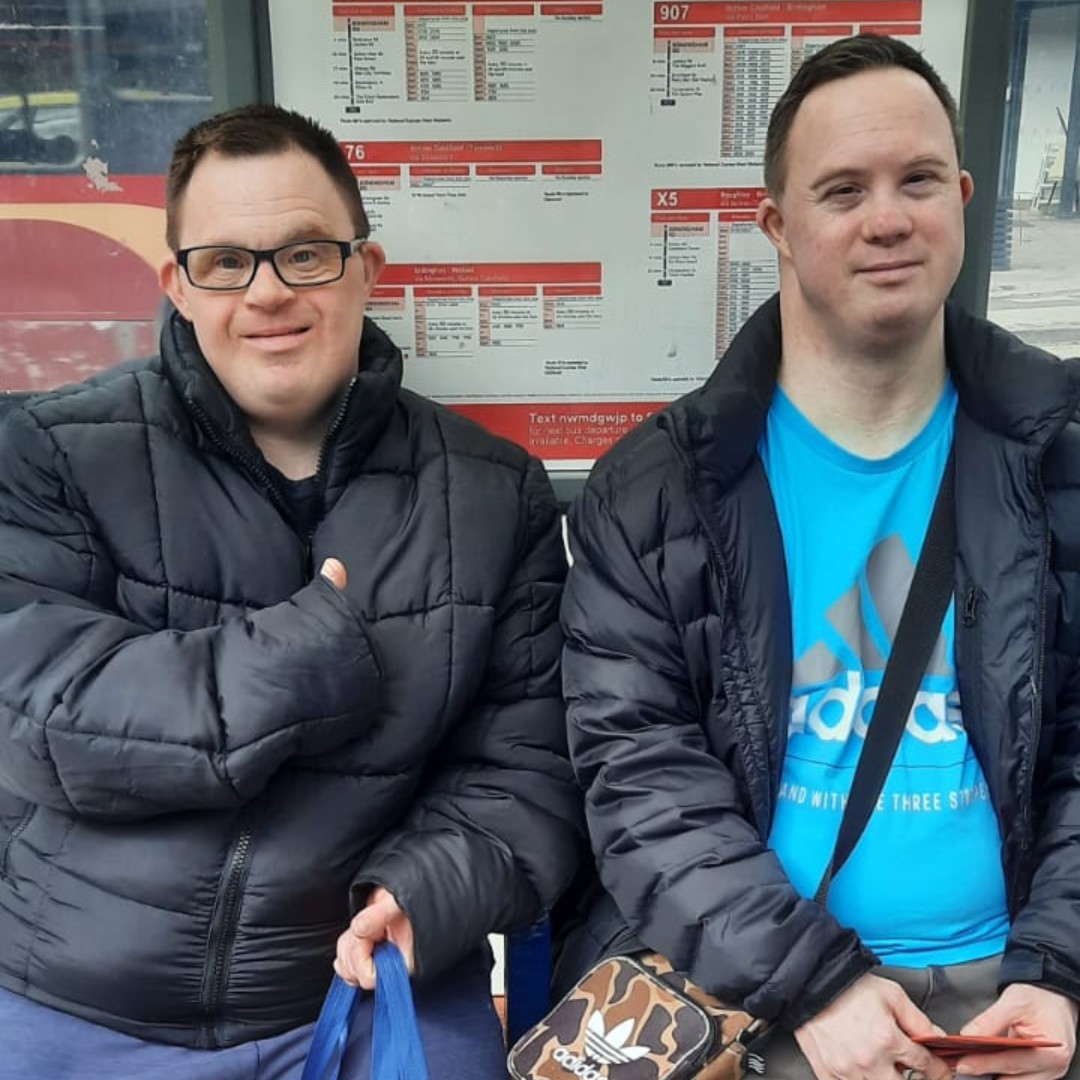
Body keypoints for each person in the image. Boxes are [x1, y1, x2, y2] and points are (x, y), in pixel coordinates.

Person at [0, 103, 582, 1080]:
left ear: (368, 269)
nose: (267, 293)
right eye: (226, 262)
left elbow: (530, 769)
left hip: (363, 983)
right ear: (178, 286)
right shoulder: (51, 452)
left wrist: (425, 889)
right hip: (80, 992)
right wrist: (295, 663)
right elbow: (38, 719)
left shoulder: (493, 490)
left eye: (308, 253)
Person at [559, 33, 1080, 1080]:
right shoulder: (660, 489)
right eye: (842, 189)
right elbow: (640, 777)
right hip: (760, 1003)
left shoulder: (1058, 455)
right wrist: (814, 983)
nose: (888, 217)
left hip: (1020, 1007)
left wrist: (1062, 970)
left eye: (919, 180)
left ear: (965, 198)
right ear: (778, 227)